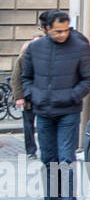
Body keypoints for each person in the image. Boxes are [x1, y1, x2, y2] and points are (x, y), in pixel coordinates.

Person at [22, 9, 90, 200]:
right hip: (43, 111)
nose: (62, 35)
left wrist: (70, 96)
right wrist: (32, 95)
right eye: (57, 31)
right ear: (47, 29)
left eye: (65, 30)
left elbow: (89, 79)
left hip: (68, 112)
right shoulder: (35, 48)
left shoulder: (80, 46)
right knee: (48, 160)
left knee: (66, 159)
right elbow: (26, 77)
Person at [10, 10, 52, 162]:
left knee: (43, 126)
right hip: (28, 97)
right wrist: (19, 97)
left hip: (42, 97)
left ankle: (45, 149)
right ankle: (31, 150)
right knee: (28, 125)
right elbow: (16, 78)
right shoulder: (23, 58)